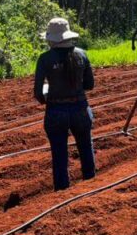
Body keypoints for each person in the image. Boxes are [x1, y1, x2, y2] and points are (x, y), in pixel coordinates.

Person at [34, 17, 96, 192]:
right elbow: (89, 85)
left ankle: (62, 191)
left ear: (52, 39)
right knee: (85, 147)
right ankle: (90, 184)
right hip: (80, 109)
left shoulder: (44, 59)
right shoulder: (82, 55)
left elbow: (38, 93)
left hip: (56, 110)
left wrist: (49, 97)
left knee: (59, 153)